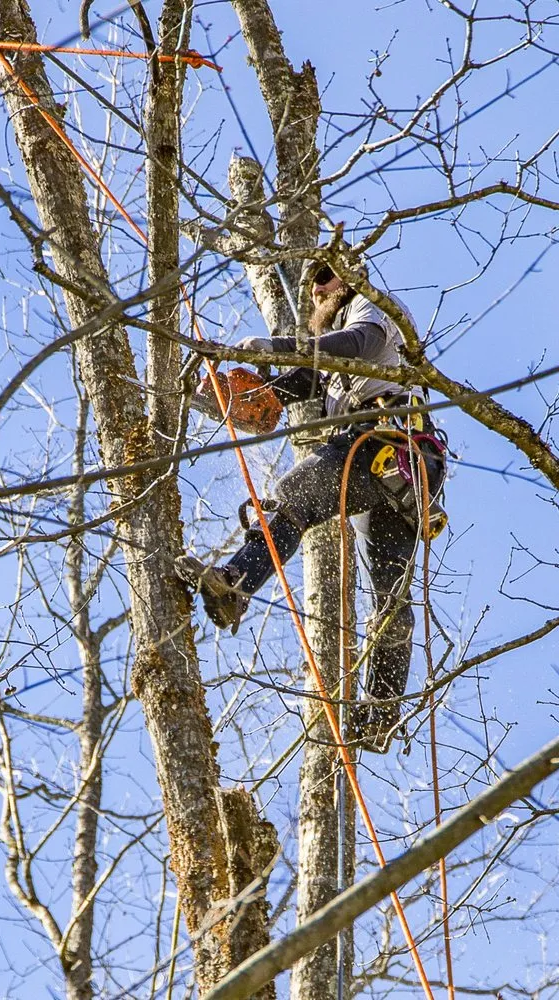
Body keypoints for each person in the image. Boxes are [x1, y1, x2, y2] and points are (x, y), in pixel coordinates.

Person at [176, 264, 446, 752]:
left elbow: (355, 343)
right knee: (391, 606)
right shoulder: (337, 364)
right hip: (398, 476)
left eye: (326, 277)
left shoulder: (372, 308)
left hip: (386, 441)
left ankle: (236, 584)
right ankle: (381, 715)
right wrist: (228, 393)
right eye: (314, 284)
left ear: (351, 277)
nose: (318, 289)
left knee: (294, 498)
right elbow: (296, 387)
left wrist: (276, 347)